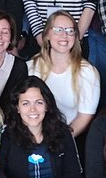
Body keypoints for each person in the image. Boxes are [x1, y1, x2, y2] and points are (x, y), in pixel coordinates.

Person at [30, 10, 100, 138]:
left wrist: (61, 141)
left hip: (69, 137)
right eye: (58, 30)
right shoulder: (31, 67)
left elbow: (85, 116)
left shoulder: (87, 72)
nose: (64, 35)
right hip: (32, 136)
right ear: (47, 35)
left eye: (70, 31)